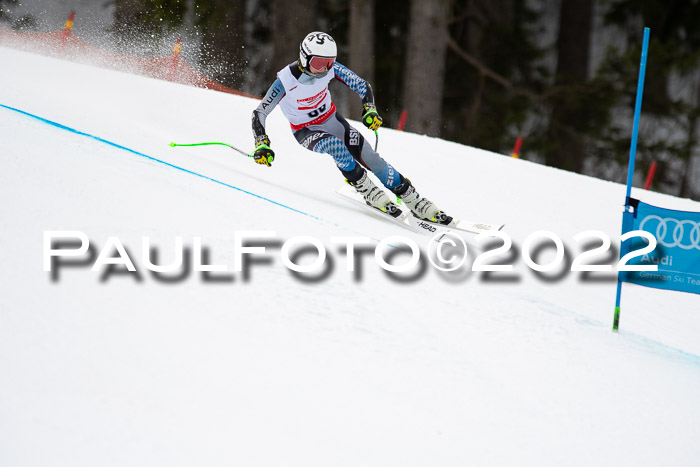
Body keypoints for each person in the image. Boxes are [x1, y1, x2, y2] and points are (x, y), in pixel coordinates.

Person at [251, 31, 452, 224]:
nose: (324, 69)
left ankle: (413, 199)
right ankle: (367, 189)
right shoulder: (285, 80)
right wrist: (262, 143)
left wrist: (370, 109)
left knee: (373, 158)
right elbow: (259, 113)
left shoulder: (331, 69)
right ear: (304, 58)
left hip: (333, 121)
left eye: (329, 62)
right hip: (306, 130)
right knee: (335, 146)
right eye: (319, 63)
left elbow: (362, 86)